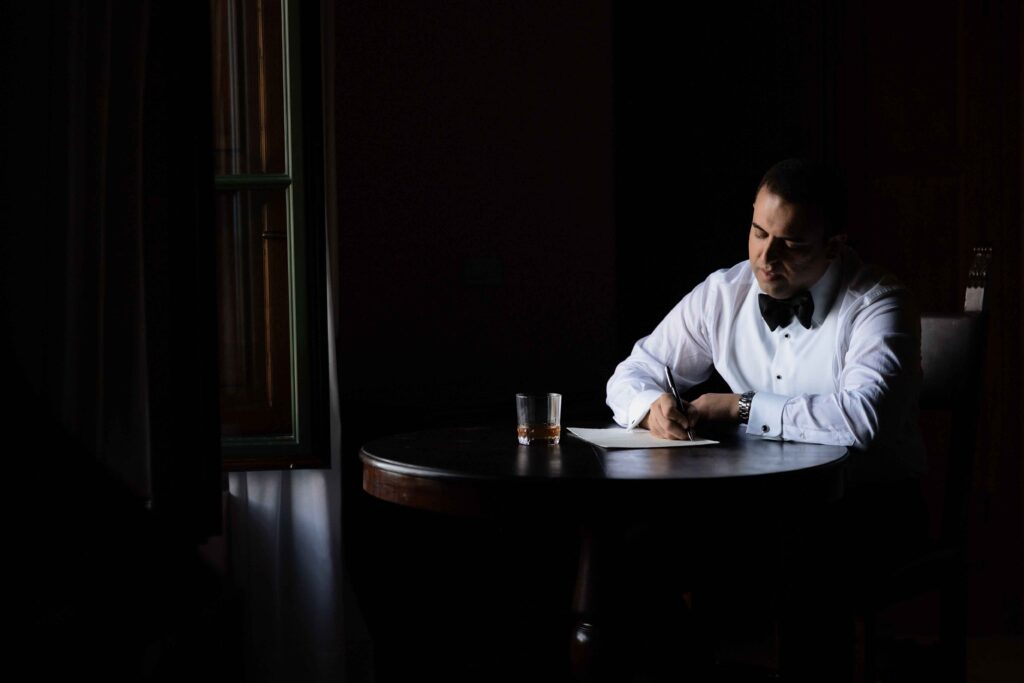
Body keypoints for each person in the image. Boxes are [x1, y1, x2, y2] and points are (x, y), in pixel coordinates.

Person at [604, 158, 928, 681]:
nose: (765, 256)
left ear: (834, 245)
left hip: (870, 507)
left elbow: (864, 420)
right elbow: (632, 372)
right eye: (758, 232)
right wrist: (651, 407)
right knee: (628, 549)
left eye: (791, 244)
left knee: (807, 561)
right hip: (752, 508)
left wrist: (742, 406)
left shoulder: (878, 304)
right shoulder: (723, 293)